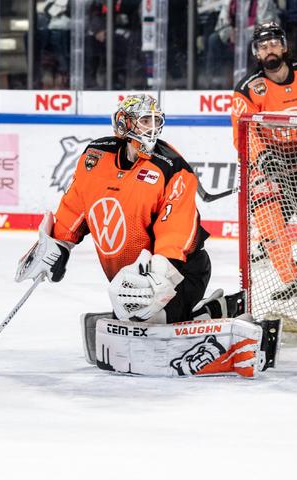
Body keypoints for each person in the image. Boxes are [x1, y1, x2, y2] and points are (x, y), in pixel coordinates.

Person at [14, 94, 274, 378]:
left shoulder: (172, 168)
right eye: (144, 120)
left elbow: (176, 228)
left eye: (155, 121)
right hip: (127, 275)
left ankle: (217, 308)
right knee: (133, 318)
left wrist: (159, 272)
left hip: (180, 271)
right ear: (124, 123)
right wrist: (57, 244)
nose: (152, 128)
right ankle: (148, 314)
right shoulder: (95, 156)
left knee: (151, 321)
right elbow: (77, 203)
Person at [231, 23, 297, 301]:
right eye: (262, 46)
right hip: (270, 162)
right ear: (256, 53)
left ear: (284, 46)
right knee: (270, 227)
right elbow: (243, 134)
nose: (269, 50)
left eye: (273, 44)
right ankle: (290, 280)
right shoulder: (247, 89)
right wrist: (263, 157)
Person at [205, 0, 279, 89]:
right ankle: (213, 81)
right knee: (214, 39)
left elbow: (265, 26)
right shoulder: (229, 2)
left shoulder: (264, 2)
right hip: (233, 39)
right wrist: (229, 33)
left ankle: (261, 83)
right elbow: (221, 24)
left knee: (261, 43)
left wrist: (243, 35)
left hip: (254, 39)